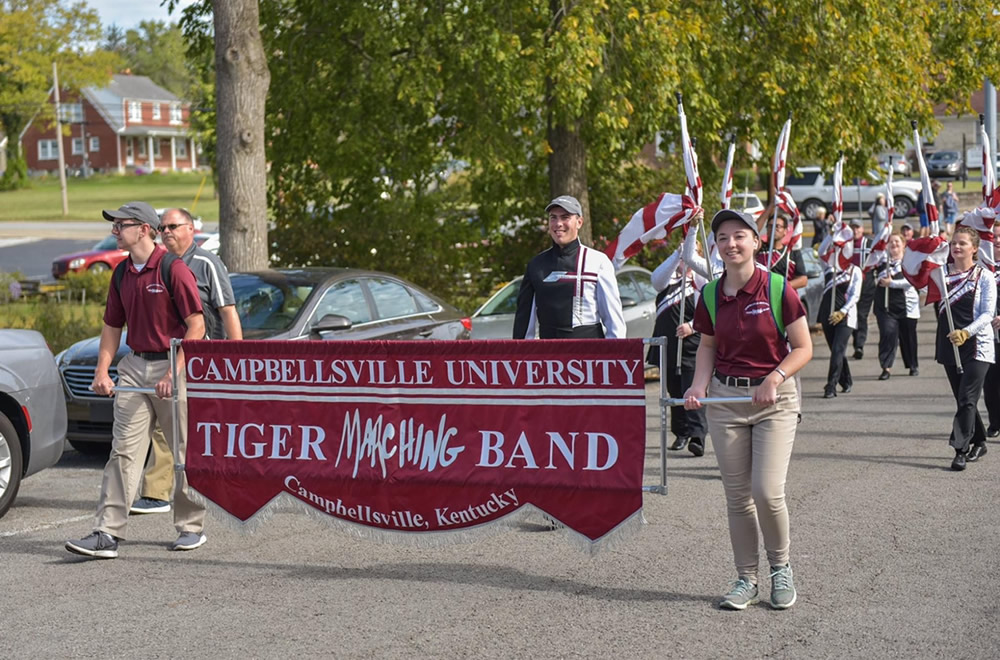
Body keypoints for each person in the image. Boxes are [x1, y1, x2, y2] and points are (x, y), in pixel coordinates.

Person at [684, 209, 812, 611]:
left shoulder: (777, 288)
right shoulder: (708, 294)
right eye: (723, 237)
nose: (731, 244)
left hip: (775, 400)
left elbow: (804, 348)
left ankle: (780, 570)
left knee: (767, 492)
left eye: (740, 236)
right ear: (716, 246)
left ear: (756, 242)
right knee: (738, 497)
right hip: (726, 401)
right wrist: (698, 385)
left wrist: (774, 378)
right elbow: (706, 346)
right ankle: (746, 578)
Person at [66, 201, 207, 559]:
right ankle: (107, 533)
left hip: (173, 365)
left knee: (181, 453)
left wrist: (173, 374)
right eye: (113, 225)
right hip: (134, 367)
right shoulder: (122, 274)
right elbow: (112, 326)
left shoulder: (173, 269)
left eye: (120, 225)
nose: (114, 231)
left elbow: (197, 325)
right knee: (123, 452)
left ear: (144, 229)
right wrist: (103, 369)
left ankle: (190, 528)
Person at [130, 208, 244, 515]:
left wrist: (238, 357)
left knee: (202, 429)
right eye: (162, 227)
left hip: (207, 361)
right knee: (167, 427)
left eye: (173, 226)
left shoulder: (206, 263)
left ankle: (223, 487)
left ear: (191, 230)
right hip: (172, 361)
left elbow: (227, 310)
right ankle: (155, 494)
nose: (166, 232)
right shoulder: (159, 265)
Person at [513, 195, 625, 339]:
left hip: (589, 351)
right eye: (553, 217)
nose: (558, 223)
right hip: (549, 354)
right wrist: (521, 356)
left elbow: (613, 319)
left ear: (579, 222)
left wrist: (616, 356)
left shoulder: (598, 261)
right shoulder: (536, 264)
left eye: (565, 217)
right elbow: (524, 321)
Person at [936, 226, 997, 471]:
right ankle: (980, 440)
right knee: (963, 399)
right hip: (949, 344)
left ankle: (960, 449)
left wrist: (966, 332)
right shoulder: (940, 275)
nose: (957, 247)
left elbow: (987, 314)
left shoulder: (985, 277)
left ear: (975, 248)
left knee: (967, 398)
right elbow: (918, 282)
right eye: (953, 243)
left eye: (962, 243)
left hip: (977, 346)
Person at [649, 224, 708, 456]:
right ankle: (681, 433)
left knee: (691, 389)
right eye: (683, 254)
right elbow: (656, 279)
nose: (685, 258)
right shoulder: (667, 280)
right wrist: (677, 254)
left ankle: (697, 435)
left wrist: (692, 326)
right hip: (668, 344)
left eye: (690, 254)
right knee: (673, 390)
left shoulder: (700, 282)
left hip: (691, 345)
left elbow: (710, 312)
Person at [820, 236, 862, 398]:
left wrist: (842, 311)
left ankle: (831, 386)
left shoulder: (854, 270)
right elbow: (821, 251)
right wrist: (832, 233)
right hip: (827, 314)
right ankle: (846, 380)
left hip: (845, 316)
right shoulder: (829, 266)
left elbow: (854, 295)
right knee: (836, 351)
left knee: (838, 348)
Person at [874, 234, 920, 380]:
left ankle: (912, 364)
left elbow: (912, 281)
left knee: (908, 337)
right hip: (886, 307)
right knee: (887, 334)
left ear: (903, 245)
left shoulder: (909, 263)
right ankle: (886, 367)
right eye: (890, 241)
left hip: (907, 306)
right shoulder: (881, 261)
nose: (893, 244)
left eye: (897, 241)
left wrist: (892, 283)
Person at [756, 212, 808, 290]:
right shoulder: (759, 248)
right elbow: (752, 231)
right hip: (761, 297)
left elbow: (803, 280)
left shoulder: (792, 252)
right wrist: (770, 208)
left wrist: (780, 287)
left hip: (782, 297)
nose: (773, 229)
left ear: (785, 231)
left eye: (777, 226)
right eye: (770, 226)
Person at [849, 219, 875, 359]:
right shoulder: (845, 244)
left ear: (862, 229)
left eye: (857, 227)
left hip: (867, 285)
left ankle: (859, 345)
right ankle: (856, 341)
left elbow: (879, 259)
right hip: (850, 285)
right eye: (852, 228)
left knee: (861, 315)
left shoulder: (869, 244)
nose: (855, 231)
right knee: (853, 314)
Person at [984, 223, 1000, 437]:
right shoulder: (982, 270)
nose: (997, 241)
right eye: (993, 238)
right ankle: (995, 421)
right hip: (987, 334)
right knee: (990, 382)